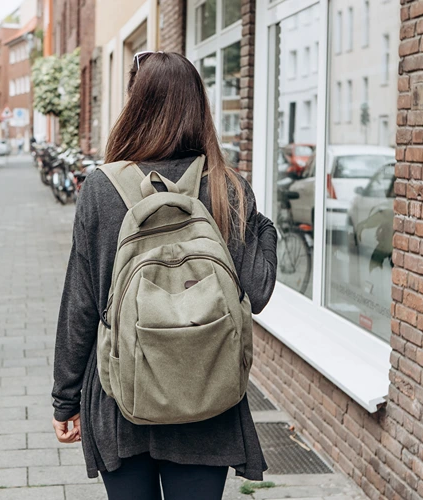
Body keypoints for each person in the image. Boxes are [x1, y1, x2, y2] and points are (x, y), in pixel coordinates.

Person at [51, 51, 278, 500]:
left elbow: (80, 303)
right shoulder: (226, 185)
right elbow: (258, 290)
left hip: (123, 397)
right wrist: (262, 228)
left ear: (135, 108)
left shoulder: (100, 187)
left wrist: (65, 397)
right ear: (199, 107)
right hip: (206, 396)